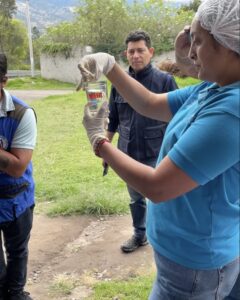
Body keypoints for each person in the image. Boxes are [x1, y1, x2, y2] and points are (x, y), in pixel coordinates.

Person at [78, 0, 240, 298]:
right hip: (182, 253)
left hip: (196, 264)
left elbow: (158, 187)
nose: (190, 53)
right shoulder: (214, 88)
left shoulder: (232, 111)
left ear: (229, 45)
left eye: (199, 42)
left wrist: (98, 141)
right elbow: (150, 103)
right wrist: (110, 66)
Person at [106, 30, 178, 253]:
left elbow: (179, 118)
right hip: (128, 151)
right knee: (136, 197)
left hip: (158, 152)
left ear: (151, 52)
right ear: (126, 54)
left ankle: (166, 238)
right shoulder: (119, 83)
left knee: (163, 197)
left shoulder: (165, 81)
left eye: (140, 50)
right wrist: (105, 148)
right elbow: (113, 118)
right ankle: (140, 234)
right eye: (131, 51)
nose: (136, 55)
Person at [0, 54, 37, 300]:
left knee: (17, 251)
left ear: (3, 80)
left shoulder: (22, 114)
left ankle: (15, 293)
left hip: (16, 200)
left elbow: (16, 167)